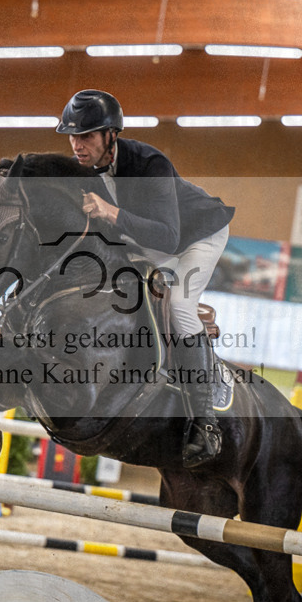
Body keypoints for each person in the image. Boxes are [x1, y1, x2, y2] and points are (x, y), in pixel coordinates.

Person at [57, 89, 235, 468]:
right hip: (149, 239)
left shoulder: (149, 163)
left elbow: (168, 238)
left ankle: (205, 423)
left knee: (181, 307)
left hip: (199, 234)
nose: (77, 145)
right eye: (72, 136)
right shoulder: (84, 169)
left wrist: (111, 212)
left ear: (111, 135)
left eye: (86, 136)